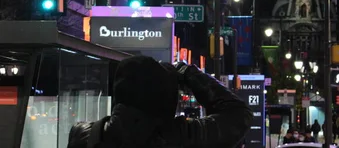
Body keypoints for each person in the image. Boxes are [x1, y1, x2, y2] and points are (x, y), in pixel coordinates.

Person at [66, 55, 252, 148]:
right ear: (166, 98)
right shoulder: (185, 136)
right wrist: (188, 73)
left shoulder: (83, 135)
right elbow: (238, 114)